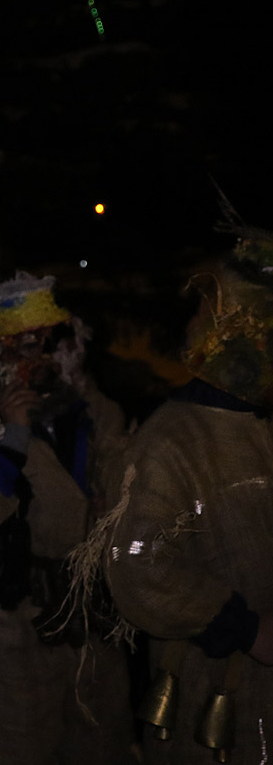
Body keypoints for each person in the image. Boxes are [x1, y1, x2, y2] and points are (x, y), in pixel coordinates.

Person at [0, 272, 135, 765]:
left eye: (47, 346)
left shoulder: (98, 416)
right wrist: (11, 443)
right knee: (11, 742)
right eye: (19, 349)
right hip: (7, 620)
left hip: (90, 615)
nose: (36, 362)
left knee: (98, 738)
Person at [104, 233, 272, 764]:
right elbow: (137, 564)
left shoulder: (264, 424)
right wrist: (243, 626)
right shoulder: (174, 436)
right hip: (211, 690)